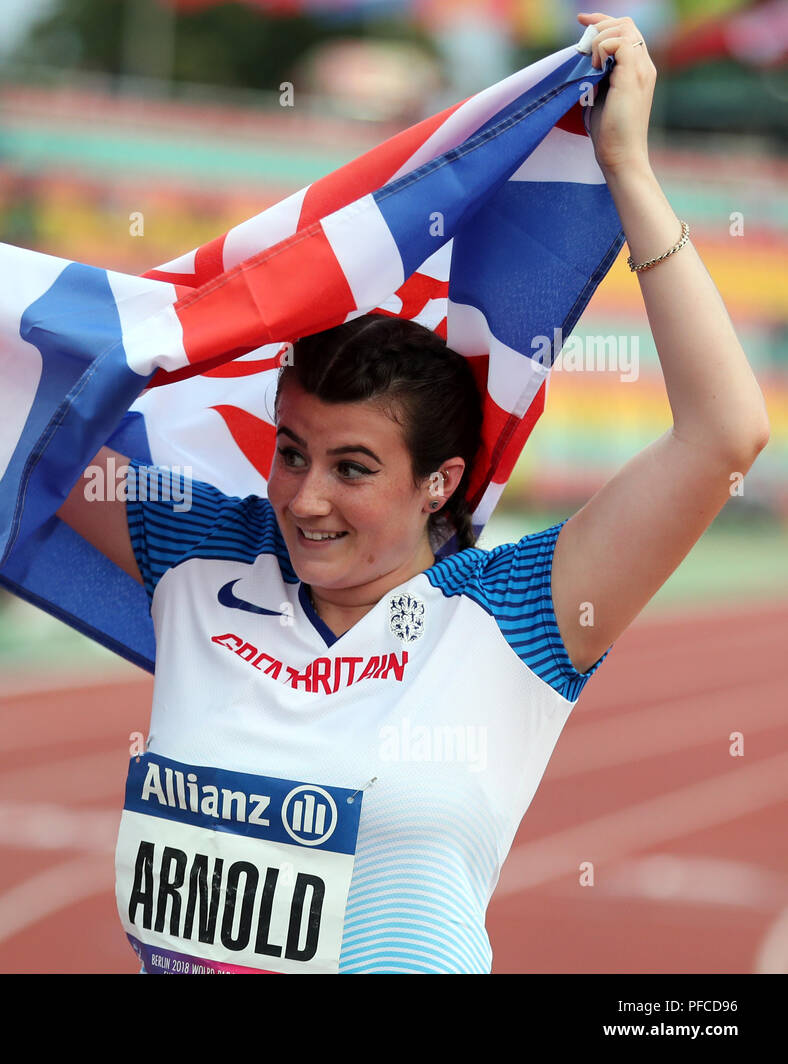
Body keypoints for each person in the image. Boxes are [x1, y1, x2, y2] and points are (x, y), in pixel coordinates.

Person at [55, 12, 770, 973]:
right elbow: (21, 427)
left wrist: (629, 173)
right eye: (292, 453)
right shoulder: (205, 557)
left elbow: (725, 434)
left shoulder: (516, 614)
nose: (305, 500)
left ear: (439, 484)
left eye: (354, 469)